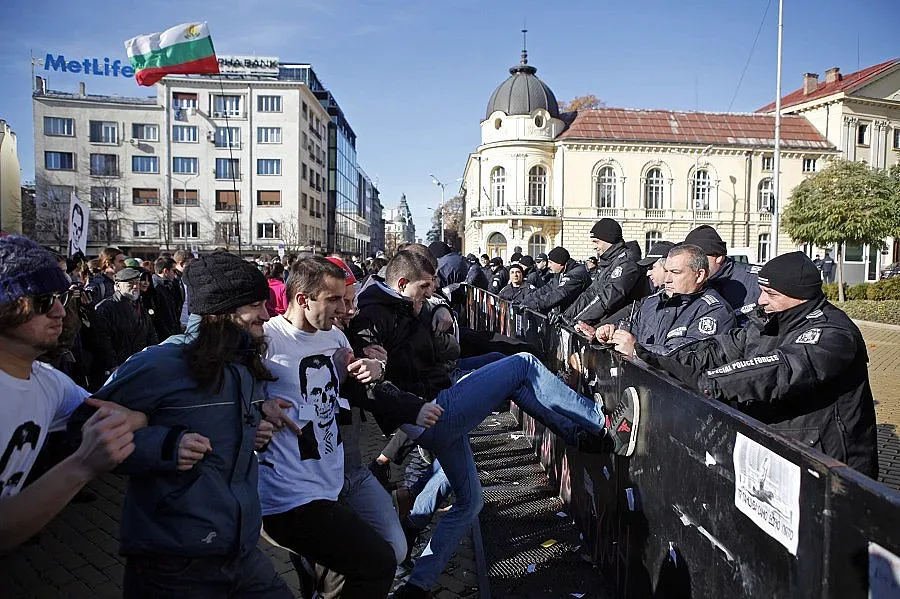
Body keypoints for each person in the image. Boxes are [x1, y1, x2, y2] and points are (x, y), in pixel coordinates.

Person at [350, 250, 641, 598]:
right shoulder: (373, 314)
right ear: (401, 284)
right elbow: (369, 381)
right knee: (523, 365)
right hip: (433, 410)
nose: (429, 294)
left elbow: (432, 310)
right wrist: (406, 402)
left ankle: (416, 582)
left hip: (434, 406)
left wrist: (439, 306)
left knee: (470, 502)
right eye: (425, 288)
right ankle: (602, 425)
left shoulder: (404, 302)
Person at [92, 251, 293, 598]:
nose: (267, 313)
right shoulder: (160, 363)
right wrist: (163, 446)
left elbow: (217, 423)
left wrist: (254, 425)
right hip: (175, 563)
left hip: (241, 553)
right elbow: (83, 430)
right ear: (222, 312)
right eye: (256, 305)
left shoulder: (243, 363)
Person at [637, 251, 878, 478]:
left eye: (771, 294)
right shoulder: (769, 321)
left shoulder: (832, 333)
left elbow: (778, 370)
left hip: (828, 464)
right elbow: (719, 349)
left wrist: (708, 382)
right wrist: (654, 357)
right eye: (761, 291)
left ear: (800, 296)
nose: (761, 300)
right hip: (781, 449)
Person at [258, 256, 408, 598]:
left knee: (332, 583)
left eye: (345, 298)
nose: (345, 308)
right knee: (377, 563)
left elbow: (358, 388)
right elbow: (223, 390)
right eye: (334, 300)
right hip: (289, 497)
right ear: (302, 299)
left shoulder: (336, 338)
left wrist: (376, 367)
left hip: (331, 483)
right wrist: (257, 407)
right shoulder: (267, 341)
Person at [0, 235, 144, 552]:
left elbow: (123, 415)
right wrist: (81, 465)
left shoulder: (49, 382)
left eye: (60, 298)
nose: (59, 313)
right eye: (42, 301)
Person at [584, 244, 736, 356]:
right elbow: (633, 327)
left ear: (700, 275)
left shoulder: (714, 311)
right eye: (666, 271)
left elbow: (688, 357)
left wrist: (637, 350)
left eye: (675, 272)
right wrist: (610, 333)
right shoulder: (653, 302)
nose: (668, 279)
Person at [563, 218, 649, 325]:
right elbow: (591, 293)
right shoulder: (610, 262)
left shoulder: (627, 262)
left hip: (622, 326)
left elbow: (608, 298)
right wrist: (568, 315)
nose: (594, 247)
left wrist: (578, 321)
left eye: (596, 242)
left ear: (609, 240)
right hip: (608, 322)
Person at [683, 225, 759, 324]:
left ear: (718, 257)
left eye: (699, 259)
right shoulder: (686, 279)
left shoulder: (754, 280)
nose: (693, 265)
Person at [519, 246, 591, 314]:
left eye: (550, 262)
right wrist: (527, 300)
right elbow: (547, 288)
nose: (549, 265)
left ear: (559, 263)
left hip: (579, 316)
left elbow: (558, 294)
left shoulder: (576, 274)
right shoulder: (561, 272)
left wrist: (535, 304)